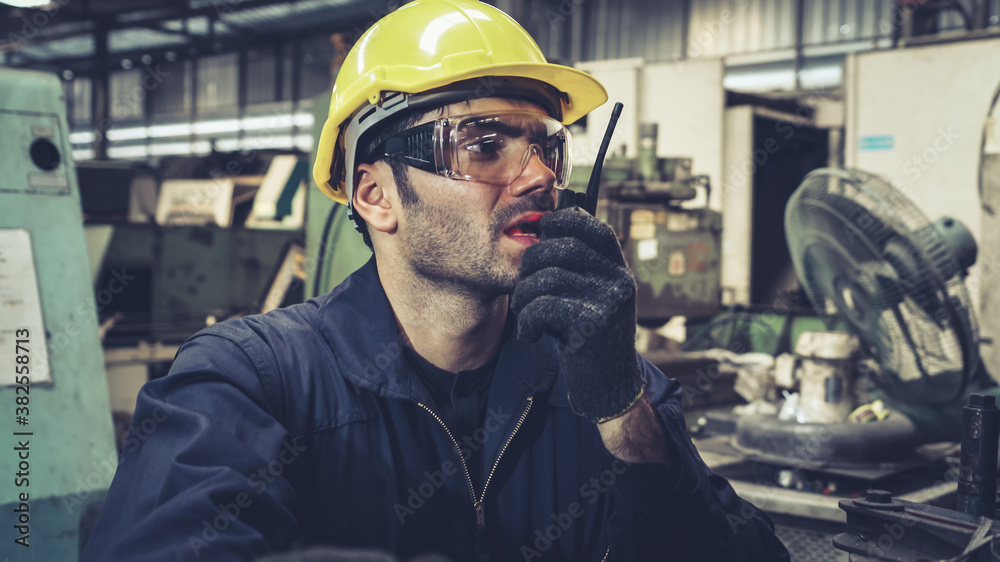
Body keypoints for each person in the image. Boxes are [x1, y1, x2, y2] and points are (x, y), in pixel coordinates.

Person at [82, 1, 790, 560]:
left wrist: (624, 416)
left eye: (547, 146)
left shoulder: (600, 384)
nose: (540, 175)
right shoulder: (250, 384)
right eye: (484, 145)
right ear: (375, 196)